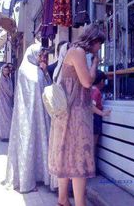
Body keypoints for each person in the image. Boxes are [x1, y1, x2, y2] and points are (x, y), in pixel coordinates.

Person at [48, 23, 105, 206]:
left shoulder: (74, 52)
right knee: (78, 160)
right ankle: (79, 203)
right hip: (75, 115)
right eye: (99, 44)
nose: (99, 48)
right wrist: (95, 64)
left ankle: (63, 200)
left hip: (70, 113)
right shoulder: (78, 52)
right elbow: (87, 82)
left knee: (67, 157)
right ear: (93, 40)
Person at [5, 43, 53, 193]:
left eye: (42, 55)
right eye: (39, 55)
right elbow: (25, 95)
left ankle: (42, 176)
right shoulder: (24, 70)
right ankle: (26, 181)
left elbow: (48, 89)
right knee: (28, 144)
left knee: (41, 144)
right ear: (32, 54)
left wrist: (45, 73)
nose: (41, 57)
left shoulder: (39, 70)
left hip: (41, 114)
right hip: (27, 115)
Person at [91, 70, 111, 173]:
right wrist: (103, 113)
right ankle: (92, 169)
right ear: (101, 81)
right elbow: (92, 107)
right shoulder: (96, 91)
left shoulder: (90, 89)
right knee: (93, 145)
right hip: (95, 120)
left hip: (92, 120)